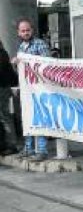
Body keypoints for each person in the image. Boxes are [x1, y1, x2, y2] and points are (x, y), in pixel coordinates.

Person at [13, 18, 50, 161]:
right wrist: (16, 63)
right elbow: (21, 71)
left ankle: (42, 150)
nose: (26, 33)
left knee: (39, 117)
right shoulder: (21, 47)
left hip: (40, 88)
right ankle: (28, 149)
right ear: (19, 32)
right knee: (27, 118)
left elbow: (47, 65)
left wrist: (25, 61)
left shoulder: (40, 44)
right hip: (27, 89)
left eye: (28, 30)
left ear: (32, 30)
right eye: (23, 31)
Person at [0, 39, 19, 155]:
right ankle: (7, 143)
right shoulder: (3, 52)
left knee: (4, 116)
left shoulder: (1, 53)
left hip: (2, 88)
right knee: (4, 116)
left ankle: (11, 144)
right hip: (3, 87)